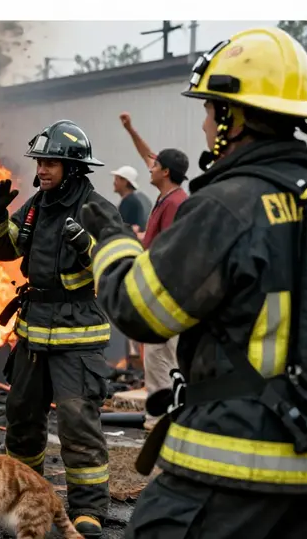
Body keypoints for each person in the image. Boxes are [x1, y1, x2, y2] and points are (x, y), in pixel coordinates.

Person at [83, 26, 307, 539]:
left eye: (209, 110)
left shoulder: (229, 206)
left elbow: (141, 310)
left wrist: (112, 237)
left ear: (233, 115)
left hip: (233, 467)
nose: (205, 124)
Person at [0, 120, 118, 538]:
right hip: (33, 333)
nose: (41, 169)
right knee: (22, 420)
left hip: (77, 337)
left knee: (78, 425)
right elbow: (6, 248)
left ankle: (89, 511)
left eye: (50, 163)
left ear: (73, 168)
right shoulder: (36, 206)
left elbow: (117, 264)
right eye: (39, 161)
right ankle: (24, 502)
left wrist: (87, 247)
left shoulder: (97, 209)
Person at [118, 113, 189, 426]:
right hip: (159, 292)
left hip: (166, 294)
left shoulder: (175, 203)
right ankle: (163, 412)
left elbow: (170, 251)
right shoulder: (166, 195)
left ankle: (160, 417)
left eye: (155, 166)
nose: (150, 167)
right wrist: (131, 129)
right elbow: (146, 153)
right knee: (157, 356)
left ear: (166, 172)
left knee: (162, 357)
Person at [110, 164, 151, 230]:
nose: (114, 183)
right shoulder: (131, 201)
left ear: (125, 182)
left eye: (116, 179)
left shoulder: (130, 202)